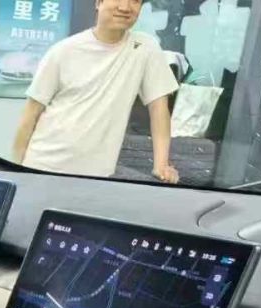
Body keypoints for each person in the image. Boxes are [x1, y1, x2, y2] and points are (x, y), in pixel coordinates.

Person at [11, 0, 180, 184]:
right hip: (44, 166)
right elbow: (30, 114)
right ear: (98, 2)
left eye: (135, 1)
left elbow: (159, 108)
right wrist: (16, 169)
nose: (125, 7)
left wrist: (161, 164)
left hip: (97, 176)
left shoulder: (145, 48)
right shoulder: (64, 51)